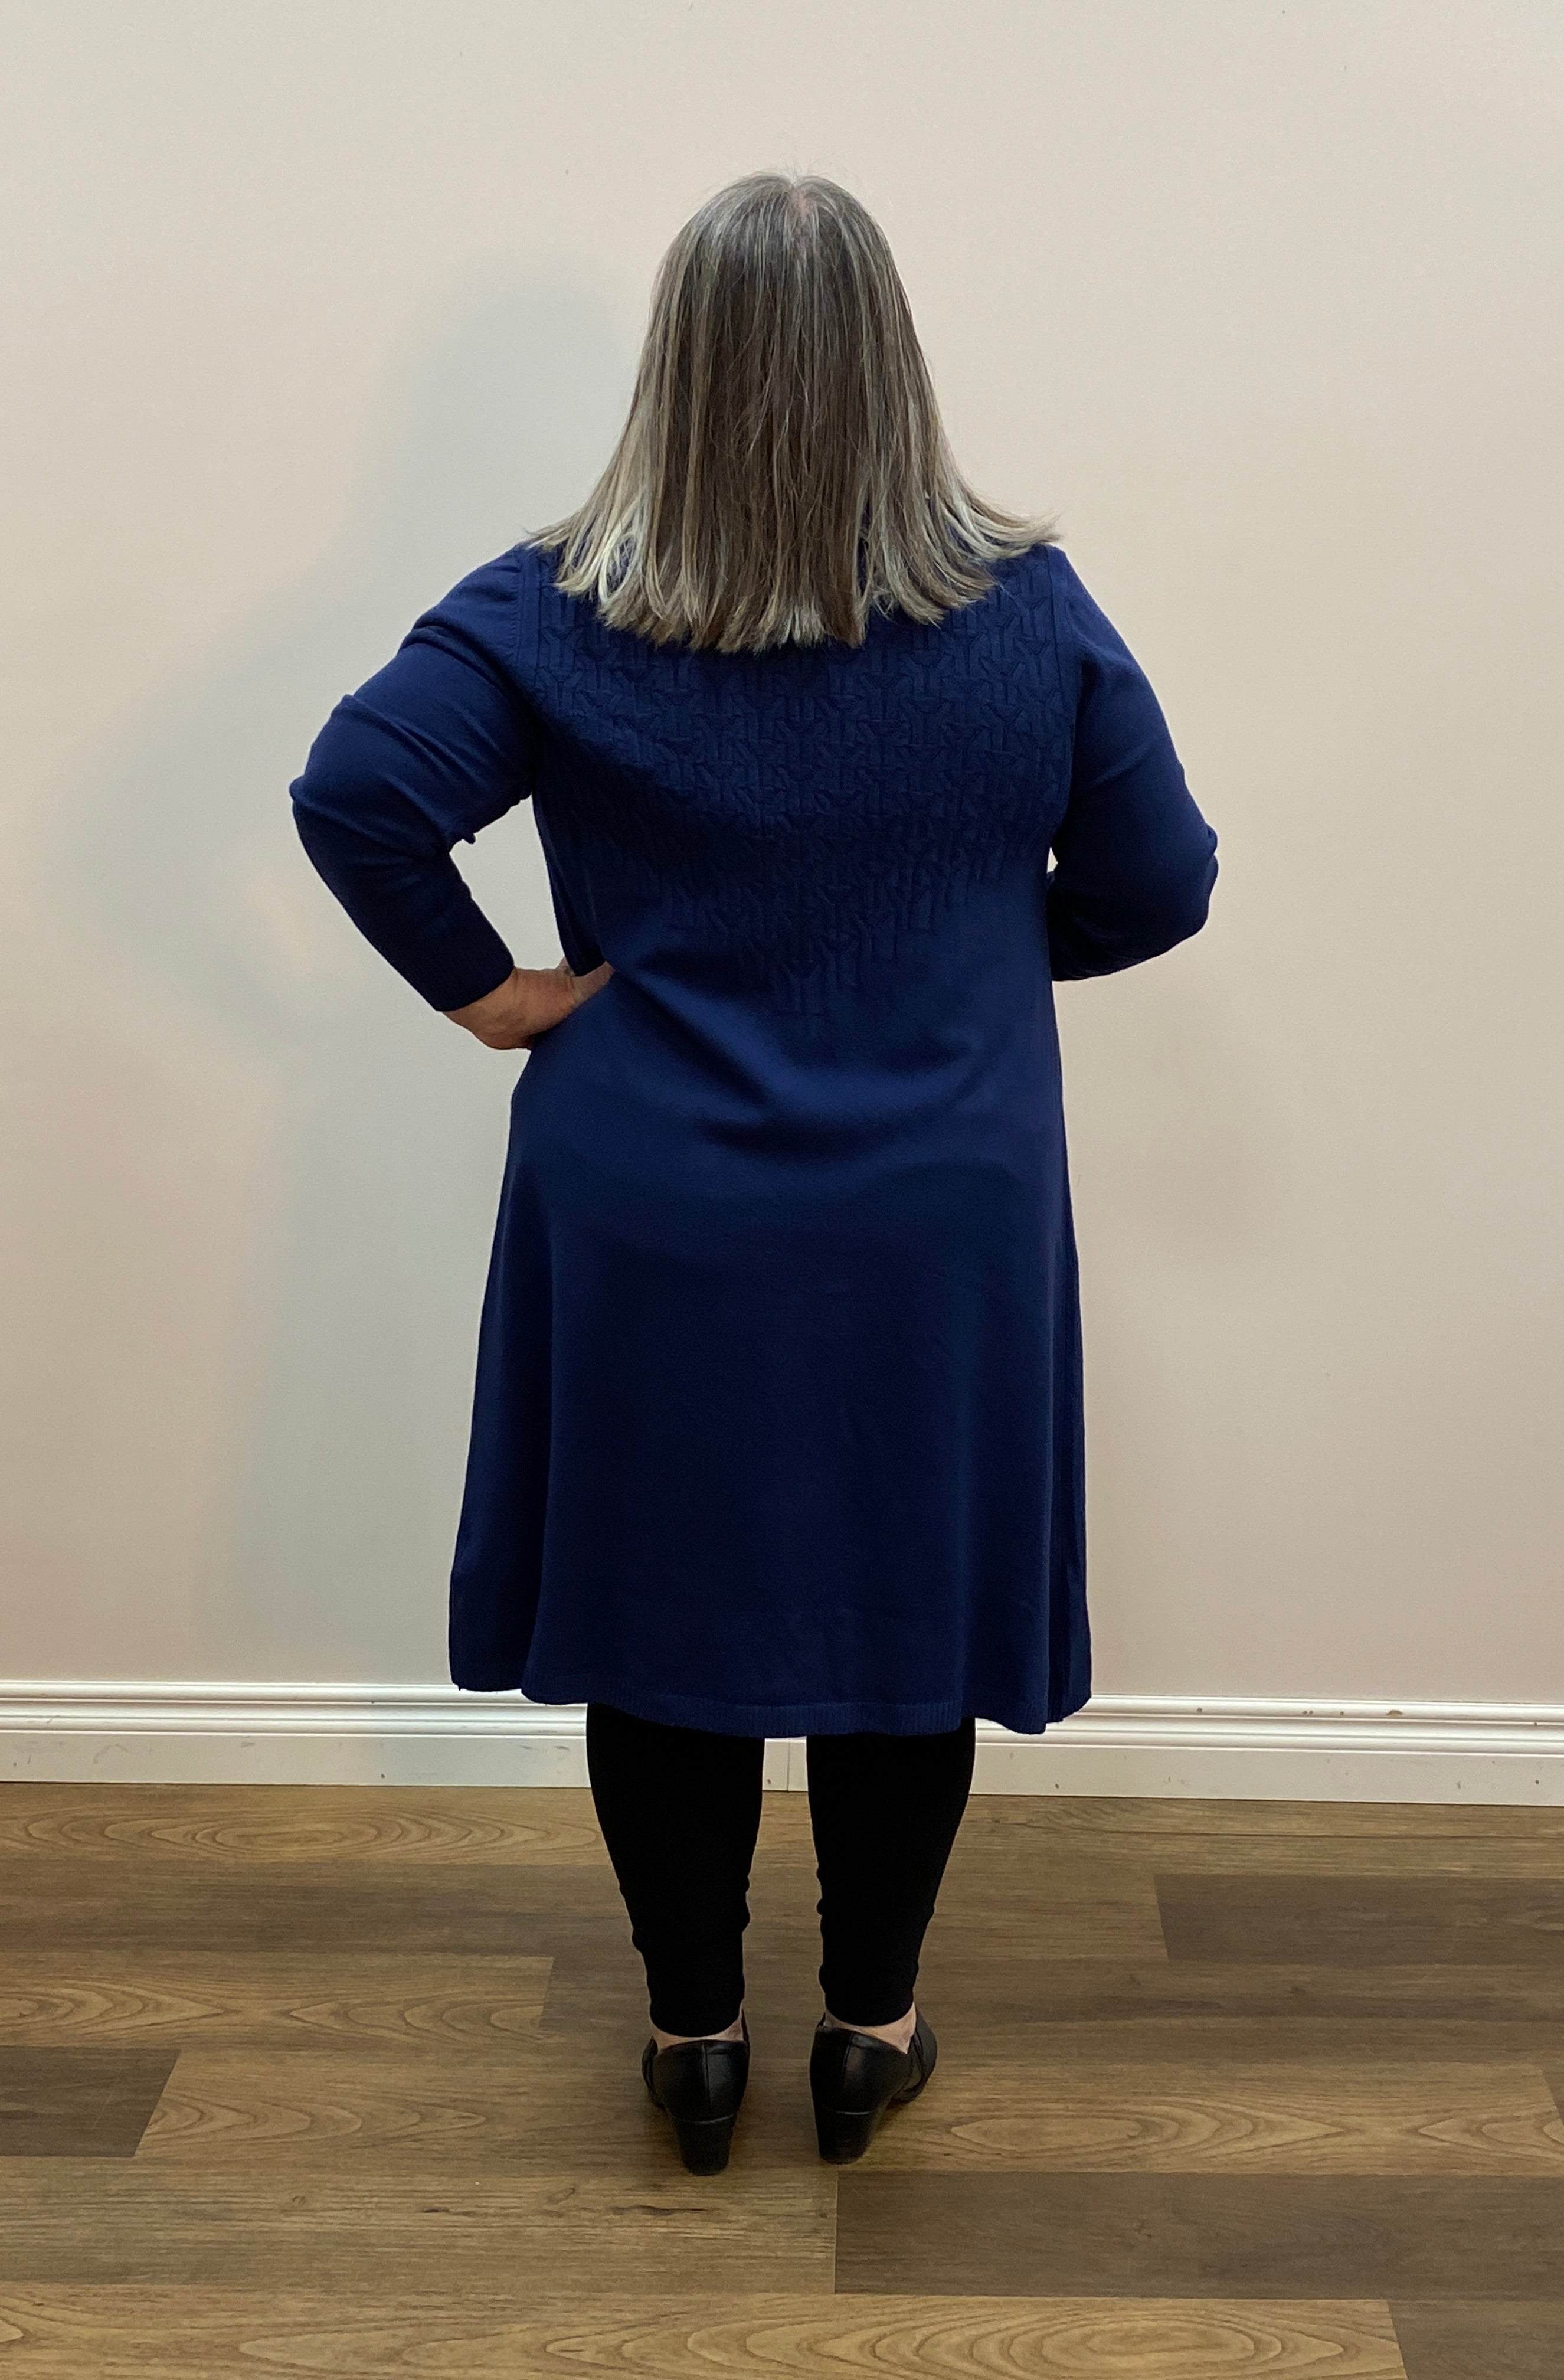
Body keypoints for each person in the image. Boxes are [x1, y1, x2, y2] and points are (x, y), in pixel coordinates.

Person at [290, 171, 1218, 2176]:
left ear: (676, 369)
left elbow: (359, 792)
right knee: (904, 1623)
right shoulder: (1029, 611)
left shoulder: (553, 608)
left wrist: (494, 994)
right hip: (937, 1208)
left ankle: (695, 2037)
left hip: (658, 1202)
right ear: (894, 365)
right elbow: (1162, 882)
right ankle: (868, 2032)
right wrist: (975, 955)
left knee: (669, 1622)